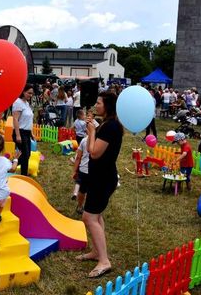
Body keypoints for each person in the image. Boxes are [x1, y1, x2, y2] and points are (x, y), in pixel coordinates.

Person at [75, 91, 123, 279]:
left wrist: (93, 131)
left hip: (103, 179)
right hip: (99, 176)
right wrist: (92, 131)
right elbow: (89, 148)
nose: (96, 105)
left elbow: (94, 153)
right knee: (97, 216)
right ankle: (97, 252)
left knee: (88, 218)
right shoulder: (106, 125)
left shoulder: (110, 127)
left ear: (108, 106)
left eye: (99, 102)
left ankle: (104, 261)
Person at [12, 84, 34, 176]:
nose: (30, 95)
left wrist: (31, 133)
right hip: (20, 132)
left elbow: (29, 120)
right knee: (25, 156)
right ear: (23, 92)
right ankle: (22, 174)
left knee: (27, 155)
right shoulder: (18, 103)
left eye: (32, 93)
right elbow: (15, 119)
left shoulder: (26, 103)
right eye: (29, 93)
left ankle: (11, 165)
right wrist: (18, 135)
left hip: (26, 132)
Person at [72, 134, 90, 214]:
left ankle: (80, 206)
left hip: (83, 170)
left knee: (82, 190)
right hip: (95, 171)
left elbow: (78, 157)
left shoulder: (84, 140)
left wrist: (75, 171)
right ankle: (90, 209)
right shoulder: (101, 141)